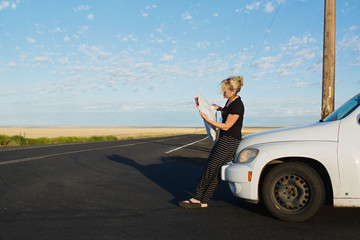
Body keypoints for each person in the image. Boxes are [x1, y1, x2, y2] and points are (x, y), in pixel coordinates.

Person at [179, 76, 245, 209]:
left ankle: (198, 198)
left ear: (233, 91)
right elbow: (228, 112)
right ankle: (202, 200)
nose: (223, 92)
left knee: (211, 168)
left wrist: (207, 119)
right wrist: (219, 109)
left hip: (229, 141)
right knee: (215, 169)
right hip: (225, 139)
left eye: (225, 90)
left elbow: (226, 126)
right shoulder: (230, 102)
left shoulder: (238, 105)